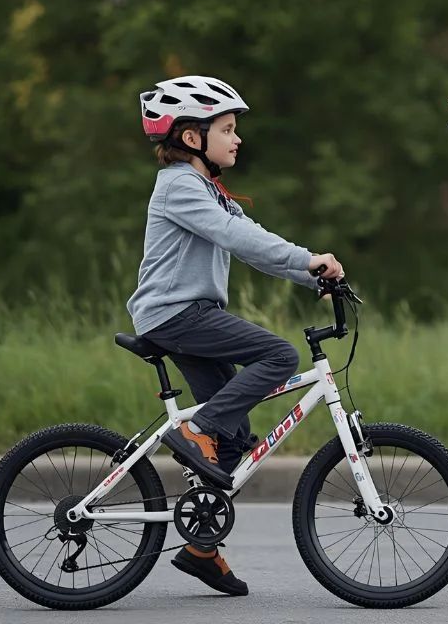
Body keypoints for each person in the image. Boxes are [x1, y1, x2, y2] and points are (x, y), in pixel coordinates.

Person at [128, 74, 345, 596]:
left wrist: (313, 274)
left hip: (187, 316)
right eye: (226, 129)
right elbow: (236, 237)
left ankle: (201, 548)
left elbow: (255, 242)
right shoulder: (179, 186)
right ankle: (196, 430)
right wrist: (308, 259)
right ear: (191, 137)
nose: (237, 138)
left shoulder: (209, 191)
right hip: (177, 315)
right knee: (279, 355)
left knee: (235, 440)